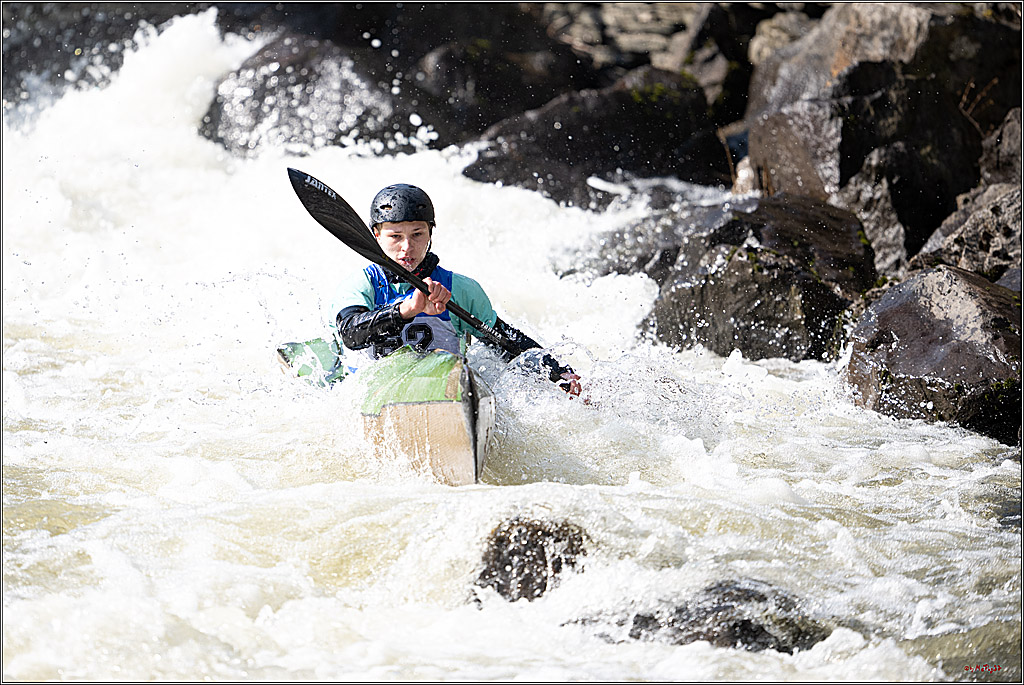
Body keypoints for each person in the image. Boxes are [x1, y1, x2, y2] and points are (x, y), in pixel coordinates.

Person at [330, 183, 581, 395]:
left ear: (430, 234)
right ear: (376, 236)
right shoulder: (360, 286)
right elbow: (351, 335)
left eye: (417, 234)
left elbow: (503, 339)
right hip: (375, 394)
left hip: (442, 394)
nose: (407, 247)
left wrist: (559, 374)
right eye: (395, 236)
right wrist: (406, 310)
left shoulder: (460, 289)